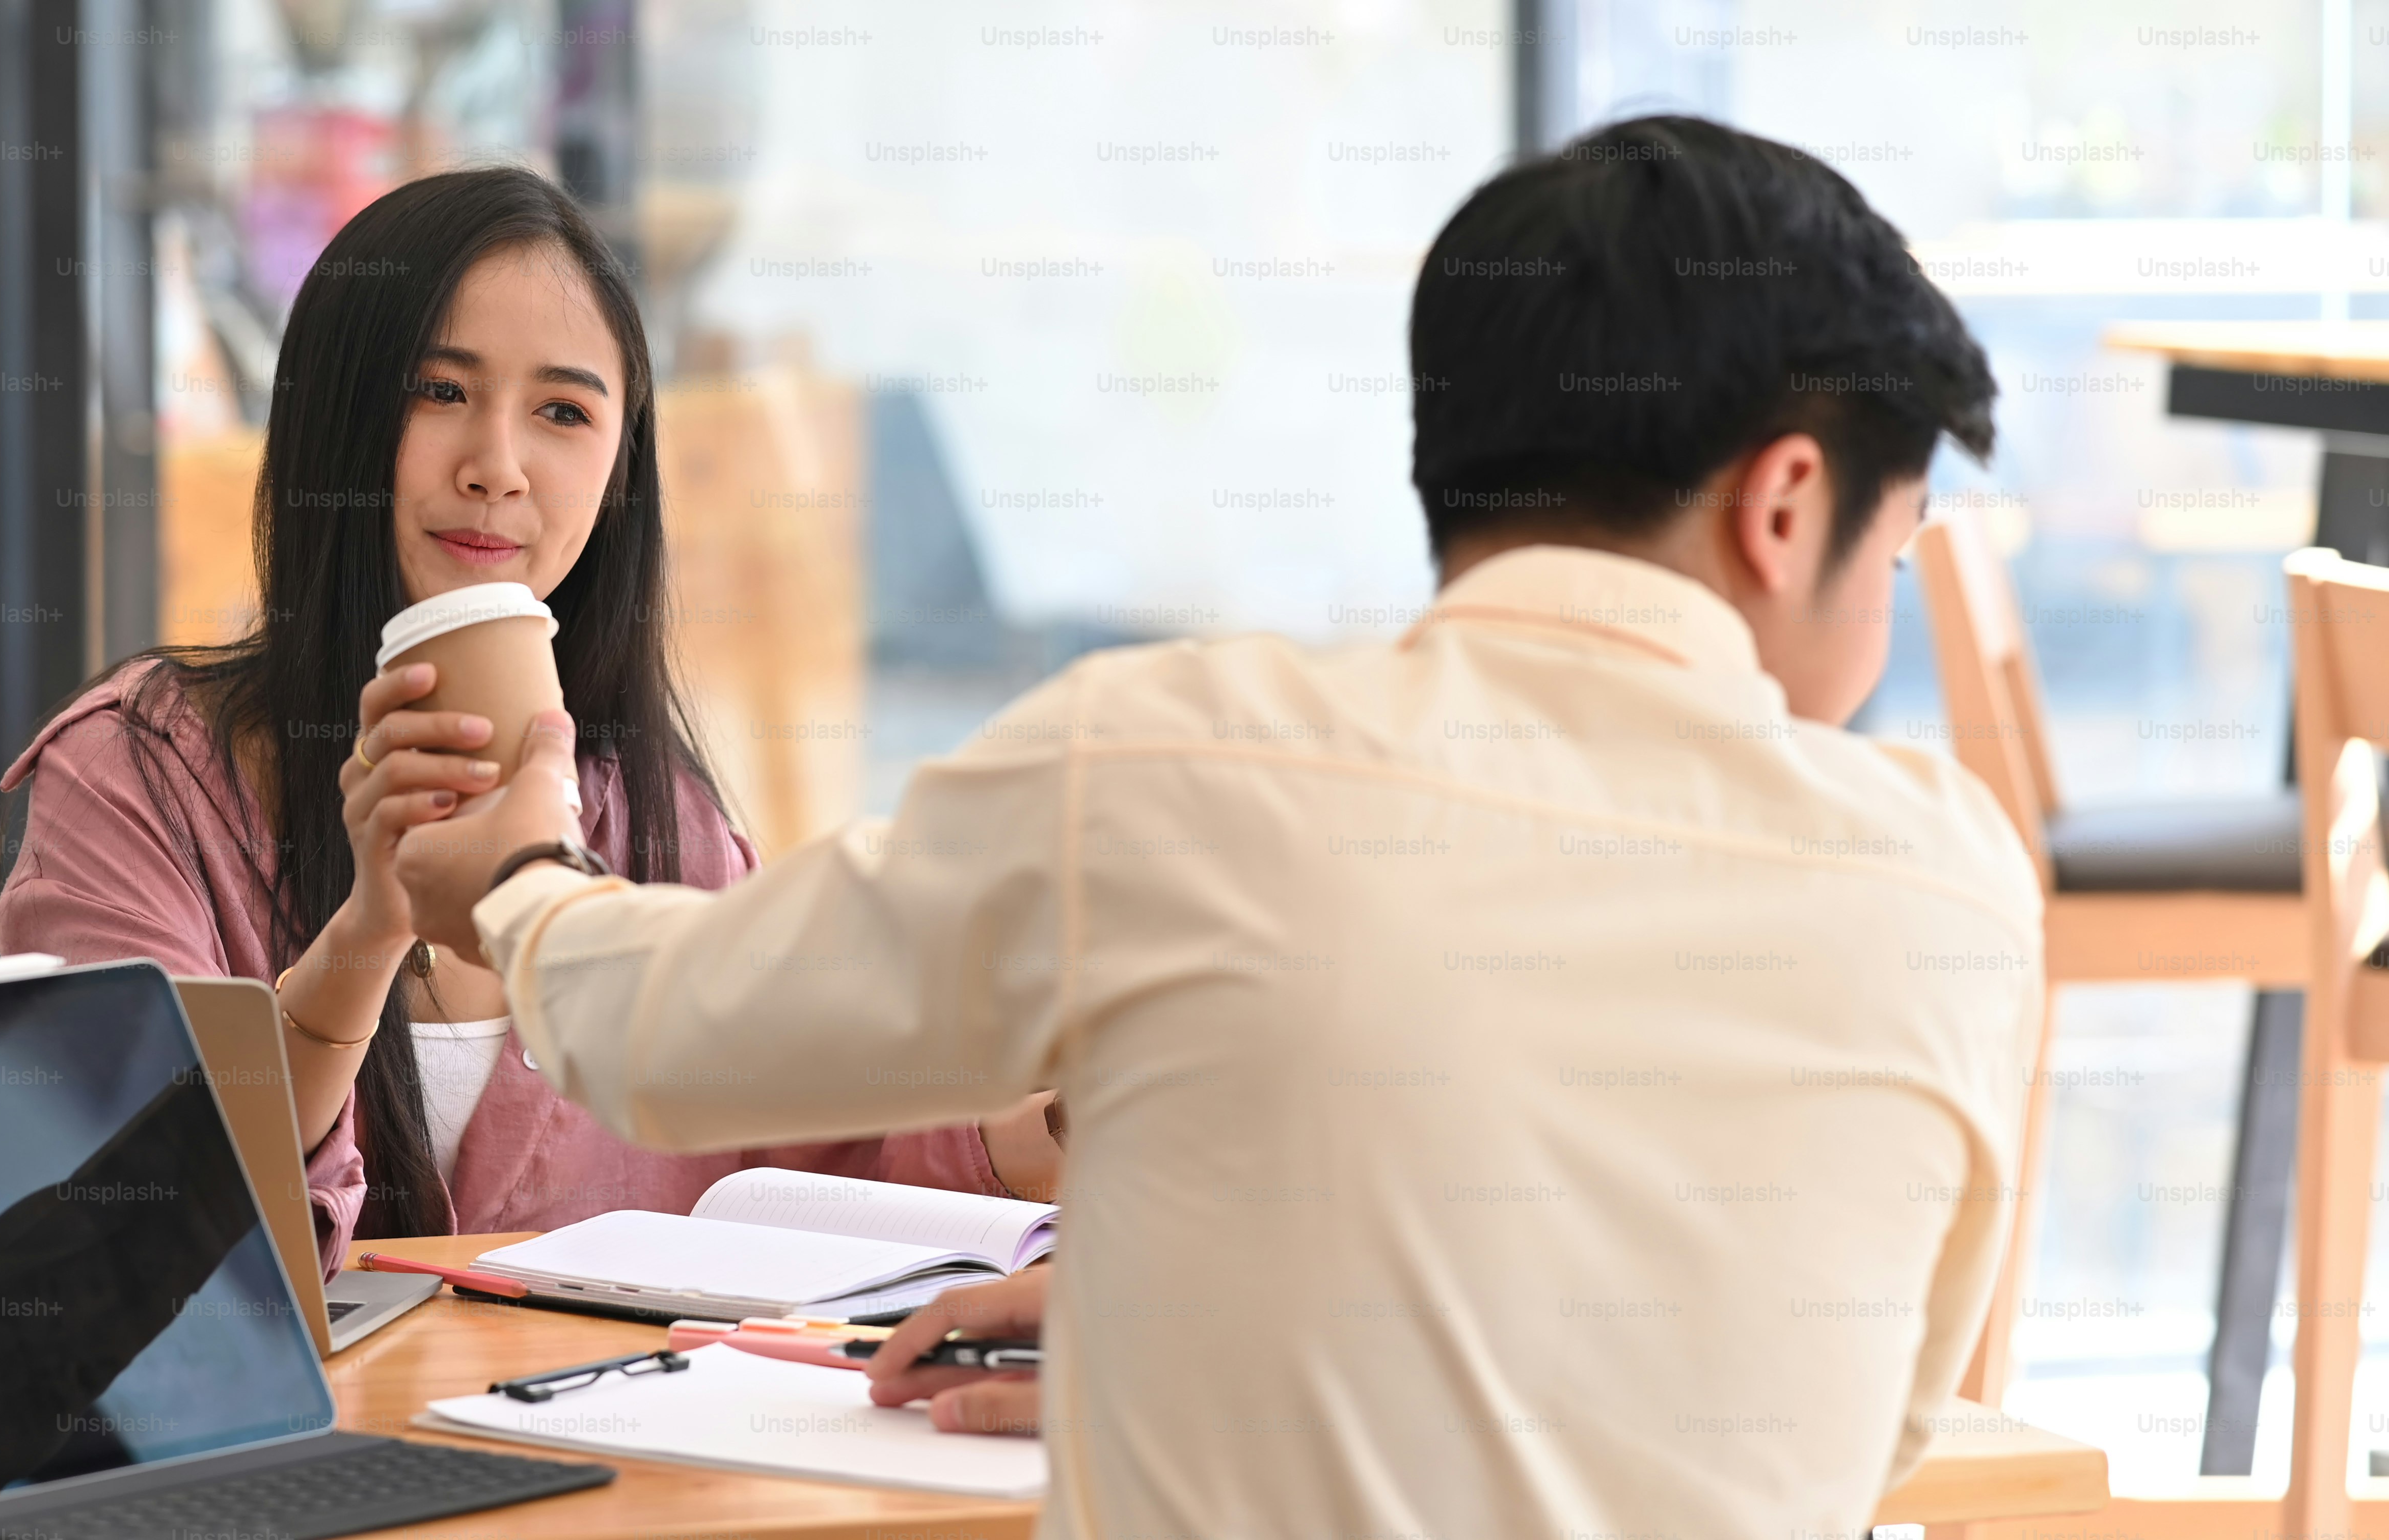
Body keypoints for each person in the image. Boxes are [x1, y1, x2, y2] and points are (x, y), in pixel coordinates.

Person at [396, 117, 2044, 1538]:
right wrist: (1239, 1322)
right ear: (1781, 506)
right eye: (1890, 561)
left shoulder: (1171, 758)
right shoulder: (1947, 881)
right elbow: (1845, 1428)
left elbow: (666, 1030)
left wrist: (522, 886)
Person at [0, 166, 1061, 1274]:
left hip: (611, 1438)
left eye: (562, 412)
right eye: (439, 392)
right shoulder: (136, 774)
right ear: (330, 418)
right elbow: (128, 1225)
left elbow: (816, 1151)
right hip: (294, 1448)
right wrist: (367, 933)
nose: (496, 468)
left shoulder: (658, 817)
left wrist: (1052, 1122)